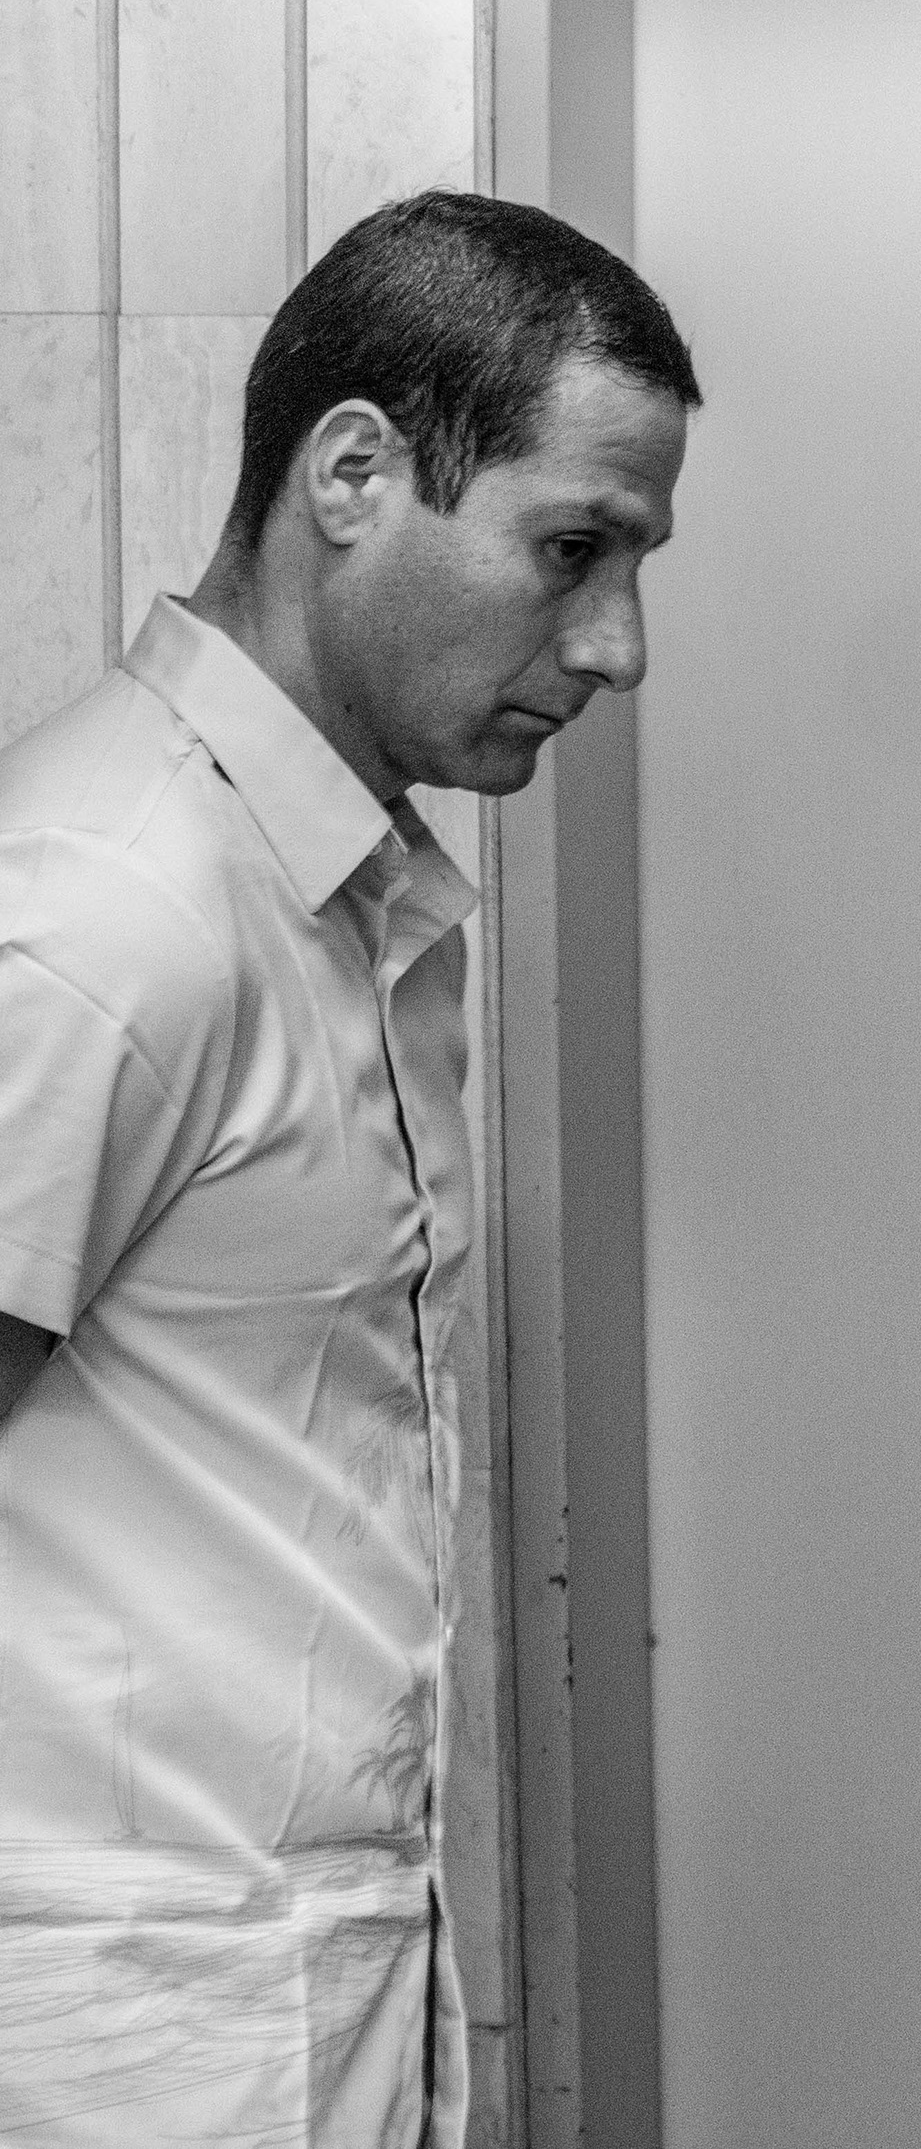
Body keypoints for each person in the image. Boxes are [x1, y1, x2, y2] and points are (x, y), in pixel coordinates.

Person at [0, 192, 698, 2149]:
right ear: (357, 472)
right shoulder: (107, 908)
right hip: (112, 2033)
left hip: (273, 1992)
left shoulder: (323, 893)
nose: (619, 643)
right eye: (573, 548)